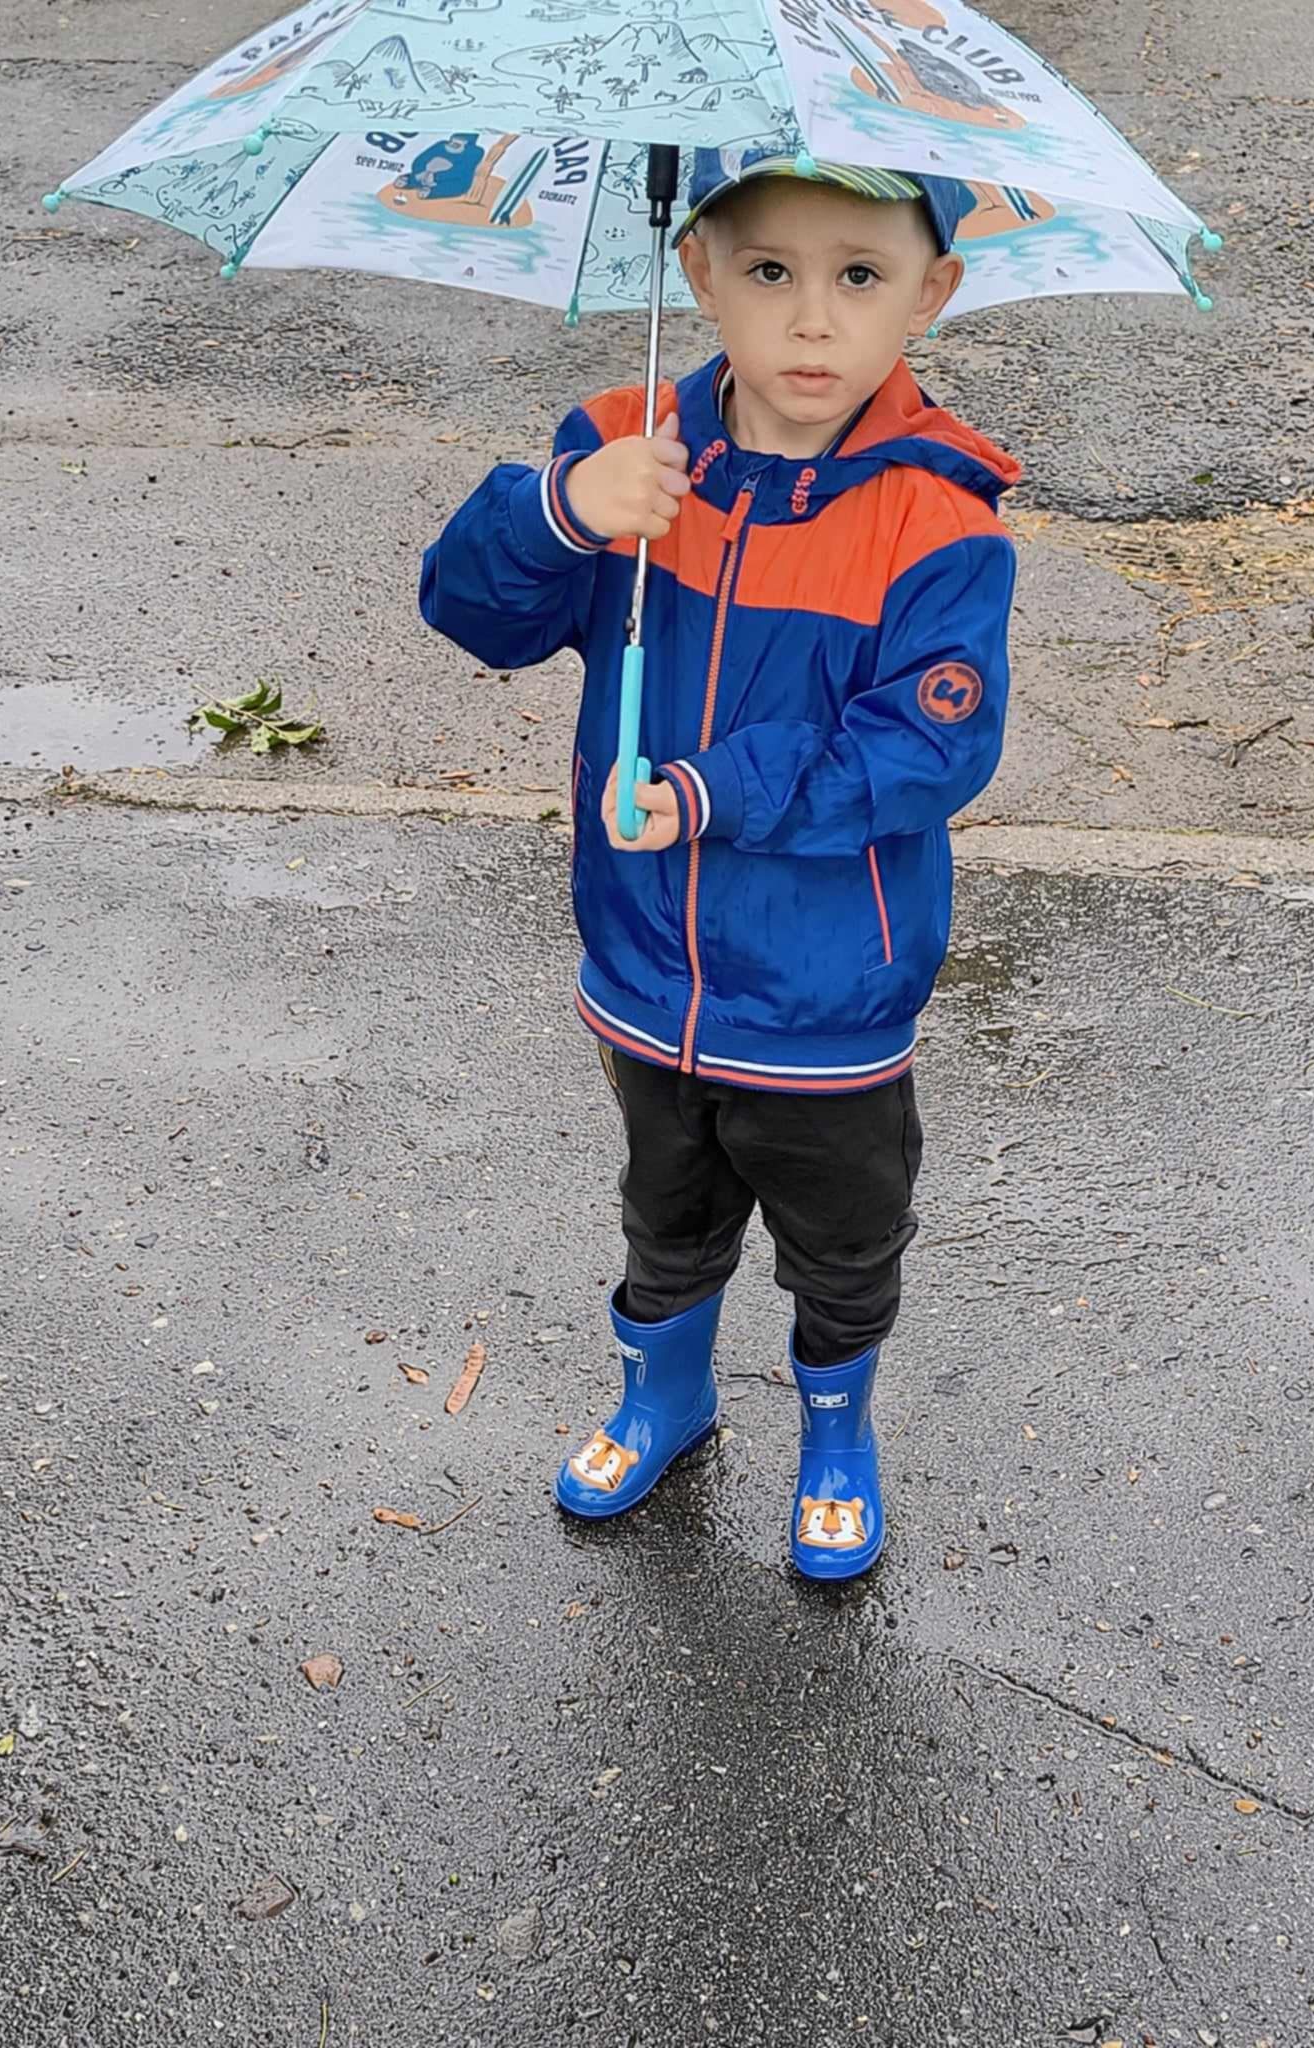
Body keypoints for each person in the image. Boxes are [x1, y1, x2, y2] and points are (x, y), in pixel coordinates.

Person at [419, 148, 1019, 1581]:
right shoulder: (623, 449)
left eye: (859, 276)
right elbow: (475, 614)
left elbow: (929, 749)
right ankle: (665, 1398)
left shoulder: (937, 516)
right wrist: (561, 509)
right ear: (697, 271)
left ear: (930, 292)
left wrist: (710, 793)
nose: (812, 320)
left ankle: (836, 1432)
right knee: (666, 1214)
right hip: (645, 967)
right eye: (769, 272)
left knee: (842, 1240)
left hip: (827, 995)